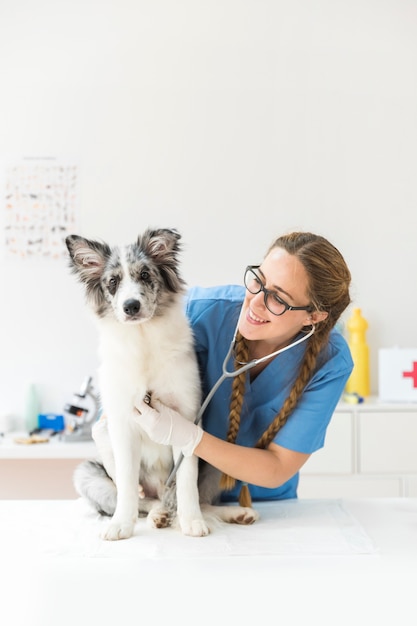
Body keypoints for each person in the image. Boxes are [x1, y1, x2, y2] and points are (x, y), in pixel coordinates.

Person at [134, 231, 353, 507]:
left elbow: (277, 467)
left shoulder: (331, 361)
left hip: (267, 509)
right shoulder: (199, 314)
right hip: (184, 503)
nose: (256, 302)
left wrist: (190, 438)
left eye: (278, 298)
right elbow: (132, 380)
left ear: (313, 316)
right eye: (258, 280)